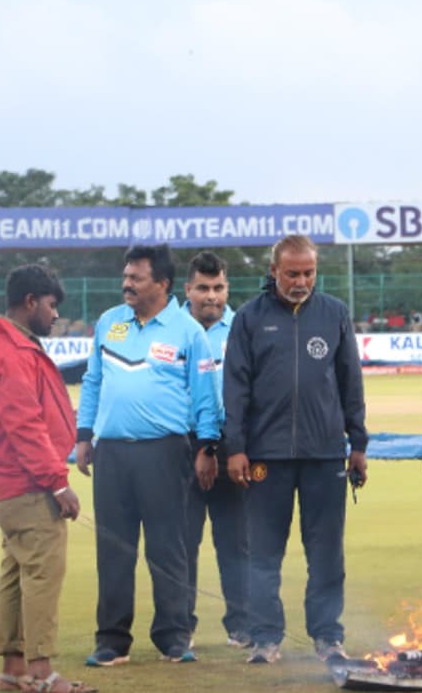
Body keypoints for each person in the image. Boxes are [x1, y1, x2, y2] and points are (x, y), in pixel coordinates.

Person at [222, 234, 368, 664]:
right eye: (292, 273)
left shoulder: (334, 314)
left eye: (308, 273)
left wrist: (357, 441)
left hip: (325, 454)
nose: (301, 281)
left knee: (326, 551)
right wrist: (235, 447)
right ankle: (266, 638)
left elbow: (350, 382)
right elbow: (235, 389)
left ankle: (327, 636)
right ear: (274, 271)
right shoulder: (249, 318)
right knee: (264, 552)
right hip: (266, 456)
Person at [75, 244, 221, 667]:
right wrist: (84, 435)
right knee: (113, 550)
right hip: (112, 454)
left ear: (162, 284)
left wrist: (206, 446)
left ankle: (174, 637)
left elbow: (205, 396)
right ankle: (111, 641)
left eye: (136, 278)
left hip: (166, 453)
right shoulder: (109, 323)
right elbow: (93, 379)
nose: (127, 284)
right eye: (125, 276)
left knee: (167, 549)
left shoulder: (187, 329)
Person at [0, 264, 96, 693]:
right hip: (25, 481)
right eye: (52, 305)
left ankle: (14, 671)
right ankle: (42, 675)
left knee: (17, 571)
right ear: (30, 302)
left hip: (10, 479)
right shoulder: (11, 353)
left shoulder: (7, 345)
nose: (56, 314)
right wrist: (57, 482)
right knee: (43, 571)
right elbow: (25, 425)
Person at [182, 251, 250, 649]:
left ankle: (240, 626)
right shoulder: (169, 328)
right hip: (180, 444)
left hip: (232, 445)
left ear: (227, 288)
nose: (211, 296)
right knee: (181, 541)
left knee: (236, 541)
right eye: (203, 288)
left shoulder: (243, 327)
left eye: (219, 287)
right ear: (187, 288)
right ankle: (181, 627)